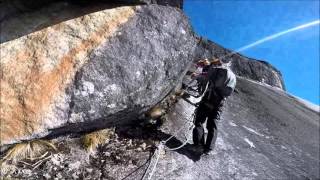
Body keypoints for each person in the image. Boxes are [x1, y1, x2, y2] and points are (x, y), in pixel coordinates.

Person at [192, 58, 236, 154]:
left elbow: (205, 78)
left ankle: (199, 145)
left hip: (208, 99)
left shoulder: (216, 70)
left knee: (199, 121)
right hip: (219, 104)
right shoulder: (232, 77)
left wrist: (196, 76)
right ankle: (208, 148)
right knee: (212, 125)